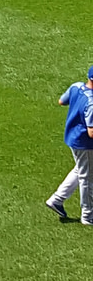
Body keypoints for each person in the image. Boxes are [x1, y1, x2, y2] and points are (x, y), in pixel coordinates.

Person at [46, 69, 93, 223]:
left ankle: (57, 200)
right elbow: (91, 132)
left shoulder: (76, 86)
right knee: (87, 178)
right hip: (85, 144)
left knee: (80, 170)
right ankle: (88, 215)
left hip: (73, 138)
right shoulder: (91, 102)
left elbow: (61, 101)